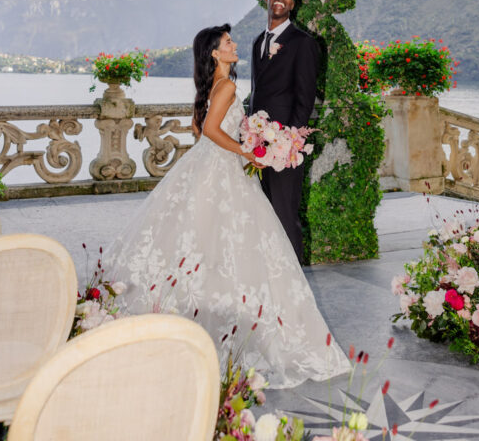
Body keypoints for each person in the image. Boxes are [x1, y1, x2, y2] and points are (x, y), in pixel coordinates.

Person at [104, 23, 350, 389]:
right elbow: (215, 130)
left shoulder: (212, 87)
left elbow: (200, 130)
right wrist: (246, 149)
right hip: (222, 168)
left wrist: (247, 139)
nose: (234, 44)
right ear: (215, 54)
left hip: (208, 166)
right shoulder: (228, 86)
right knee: (234, 243)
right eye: (228, 42)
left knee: (200, 242)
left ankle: (196, 317)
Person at [250, 0, 319, 262]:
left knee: (285, 214)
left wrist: (288, 142)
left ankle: (295, 288)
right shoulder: (257, 42)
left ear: (293, 4)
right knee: (263, 214)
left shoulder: (303, 43)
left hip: (284, 149)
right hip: (256, 147)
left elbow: (305, 99)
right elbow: (258, 94)